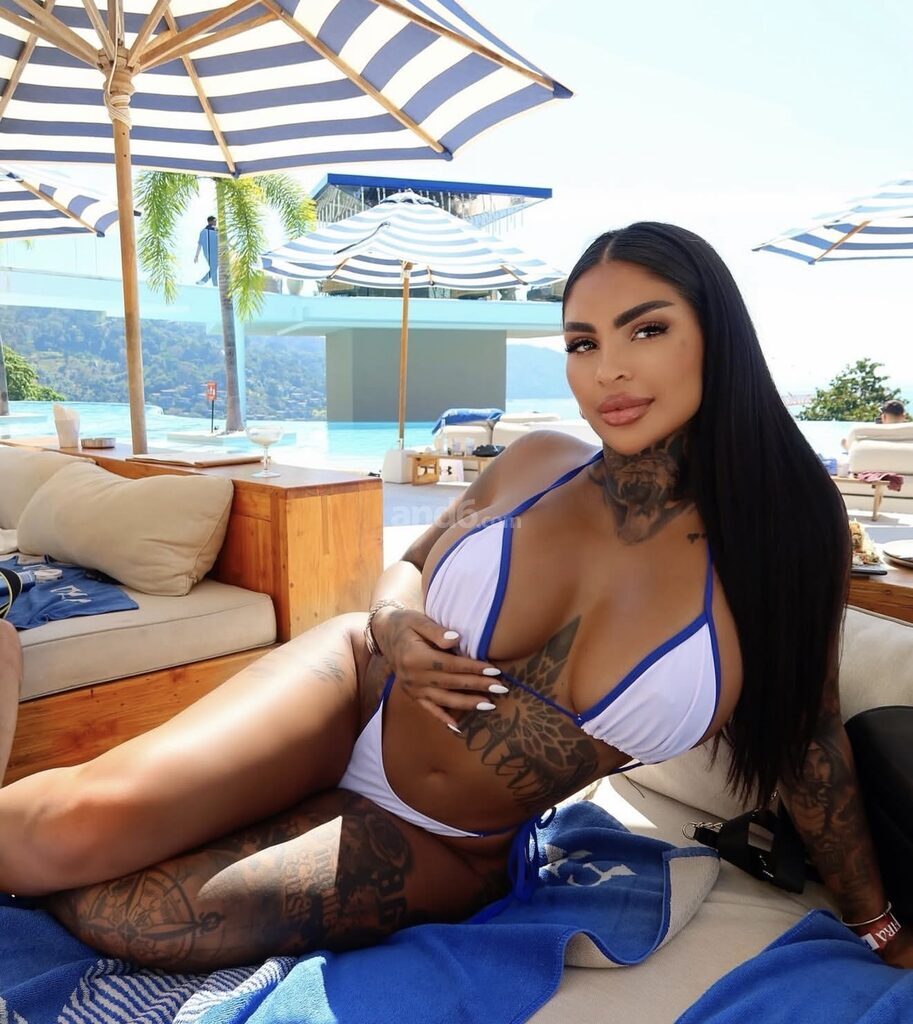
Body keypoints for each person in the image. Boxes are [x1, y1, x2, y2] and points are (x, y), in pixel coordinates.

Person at [1, 222, 910, 973]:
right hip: (350, 688)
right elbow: (412, 563)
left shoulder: (787, 538)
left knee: (142, 917)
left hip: (447, 839)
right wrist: (394, 623)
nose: (607, 370)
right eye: (582, 343)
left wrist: (876, 926)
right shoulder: (537, 462)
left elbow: (809, 740)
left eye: (645, 330)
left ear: (716, 334)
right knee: (57, 833)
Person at [194, 215, 218, 286]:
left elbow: (199, 245)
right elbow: (200, 244)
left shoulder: (204, 231)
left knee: (213, 268)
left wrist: (196, 256)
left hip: (210, 253)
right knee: (214, 268)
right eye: (214, 221)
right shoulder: (207, 231)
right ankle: (204, 281)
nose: (216, 222)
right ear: (210, 221)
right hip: (211, 253)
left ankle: (215, 285)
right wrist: (196, 256)